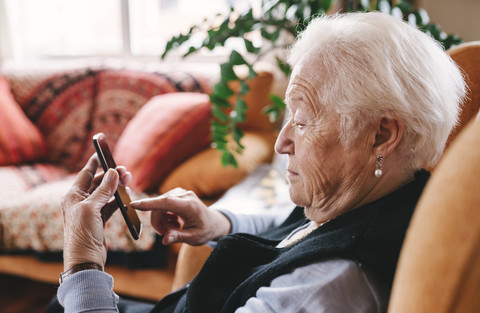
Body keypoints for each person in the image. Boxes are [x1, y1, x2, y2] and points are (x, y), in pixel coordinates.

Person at [47, 11, 466, 313]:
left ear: (382, 135)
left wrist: (83, 263)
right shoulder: (389, 196)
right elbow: (297, 234)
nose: (282, 142)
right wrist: (217, 223)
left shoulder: (323, 289)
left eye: (303, 121)